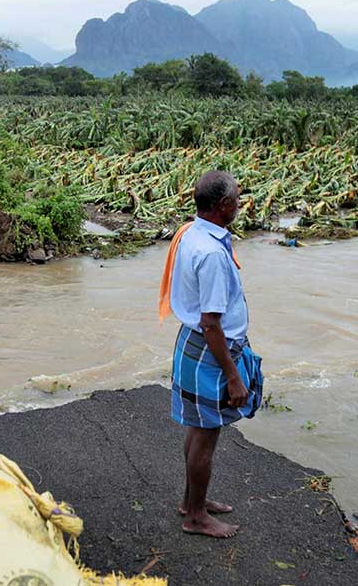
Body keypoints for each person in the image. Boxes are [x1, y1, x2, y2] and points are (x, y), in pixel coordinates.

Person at [157, 170, 264, 538]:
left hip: (191, 341)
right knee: (206, 435)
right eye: (236, 198)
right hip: (210, 347)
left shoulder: (191, 232)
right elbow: (212, 324)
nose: (240, 202)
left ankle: (192, 501)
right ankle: (197, 517)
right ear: (222, 206)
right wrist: (233, 375)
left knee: (197, 428)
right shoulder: (213, 255)